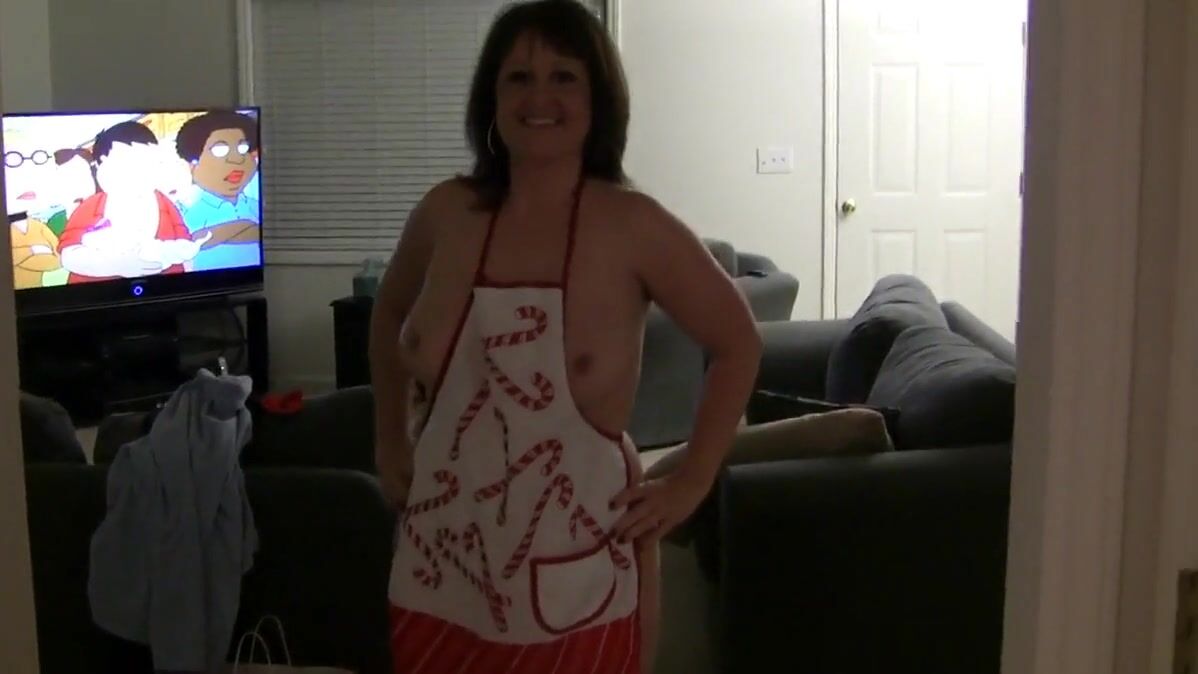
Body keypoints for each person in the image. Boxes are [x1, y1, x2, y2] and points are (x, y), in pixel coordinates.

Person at [369, 2, 761, 673]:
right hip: (442, 556)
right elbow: (386, 316)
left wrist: (693, 478)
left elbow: (738, 342)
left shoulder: (635, 225)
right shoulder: (443, 212)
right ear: (491, 97)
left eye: (564, 77)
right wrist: (389, 436)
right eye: (519, 77)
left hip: (577, 562)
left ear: (598, 98)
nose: (539, 97)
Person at [174, 110, 262, 272]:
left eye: (243, 148)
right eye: (220, 150)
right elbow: (194, 240)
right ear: (192, 165)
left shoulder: (255, 206)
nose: (237, 159)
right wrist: (246, 226)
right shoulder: (185, 209)